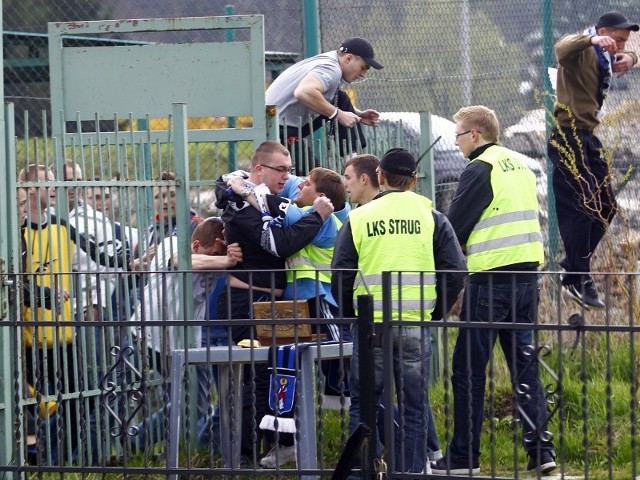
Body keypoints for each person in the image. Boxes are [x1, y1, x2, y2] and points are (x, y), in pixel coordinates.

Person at [432, 105, 555, 475]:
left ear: (474, 135)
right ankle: (541, 451)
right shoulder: (516, 164)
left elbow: (454, 228)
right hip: (527, 279)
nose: (456, 144)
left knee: (468, 371)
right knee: (525, 368)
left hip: (490, 280)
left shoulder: (479, 167)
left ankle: (463, 457)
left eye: (457, 136)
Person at [331, 148, 466, 474]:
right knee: (413, 407)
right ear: (414, 180)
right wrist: (434, 313)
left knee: (364, 405)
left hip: (371, 325)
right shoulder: (431, 217)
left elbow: (341, 272)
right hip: (414, 325)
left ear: (380, 177)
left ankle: (363, 470)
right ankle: (410, 472)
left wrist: (351, 316)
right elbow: (456, 270)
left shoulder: (359, 218)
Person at [214, 140, 334, 465]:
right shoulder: (242, 205)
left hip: (273, 302)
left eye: (289, 170)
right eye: (280, 170)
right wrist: (317, 217)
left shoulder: (268, 200)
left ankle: (282, 443)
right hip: (245, 300)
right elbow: (279, 245)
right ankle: (243, 458)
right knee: (257, 377)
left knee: (279, 370)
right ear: (258, 170)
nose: (286, 176)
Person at [548, 11, 638, 309]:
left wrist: (632, 59)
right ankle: (578, 277)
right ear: (601, 31)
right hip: (567, 134)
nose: (620, 46)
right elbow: (561, 48)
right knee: (582, 205)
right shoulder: (582, 49)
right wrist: (592, 39)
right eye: (617, 39)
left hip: (587, 136)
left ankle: (573, 267)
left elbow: (629, 50)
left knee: (606, 206)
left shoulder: (606, 56)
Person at [132, 217, 242, 449]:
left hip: (186, 340)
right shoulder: (171, 245)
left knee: (196, 402)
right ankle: (131, 444)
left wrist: (229, 256)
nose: (217, 261)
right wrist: (225, 261)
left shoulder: (219, 259)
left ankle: (183, 446)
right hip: (150, 335)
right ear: (196, 246)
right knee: (186, 400)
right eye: (213, 254)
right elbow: (181, 262)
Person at [19, 164, 76, 464]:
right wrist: (46, 297)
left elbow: (95, 254)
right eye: (46, 183)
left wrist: (130, 262)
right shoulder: (17, 233)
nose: (54, 187)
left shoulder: (62, 226)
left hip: (64, 330)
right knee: (41, 403)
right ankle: (44, 462)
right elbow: (18, 285)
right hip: (31, 335)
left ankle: (57, 461)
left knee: (72, 401)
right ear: (28, 190)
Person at [265, 37, 383, 171]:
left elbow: (332, 100)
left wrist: (358, 115)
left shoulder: (330, 60)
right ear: (348, 59)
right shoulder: (331, 68)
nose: (363, 74)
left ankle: (352, 162)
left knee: (341, 98)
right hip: (275, 128)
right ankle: (353, 167)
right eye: (363, 67)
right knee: (315, 180)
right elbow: (303, 92)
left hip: (283, 123)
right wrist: (338, 114)